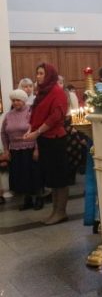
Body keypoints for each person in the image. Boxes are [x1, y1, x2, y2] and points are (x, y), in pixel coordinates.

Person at [25, 63, 69, 225]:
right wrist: (30, 130)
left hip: (55, 138)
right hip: (44, 138)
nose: (38, 76)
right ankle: (55, 211)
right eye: (37, 73)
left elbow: (55, 116)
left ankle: (61, 212)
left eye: (41, 73)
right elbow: (35, 114)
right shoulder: (42, 92)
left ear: (49, 75)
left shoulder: (57, 91)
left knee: (59, 177)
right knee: (51, 177)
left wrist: (37, 132)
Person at [1, 89, 43, 211]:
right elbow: (3, 133)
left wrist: (37, 149)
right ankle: (27, 200)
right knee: (21, 176)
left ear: (24, 100)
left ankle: (39, 198)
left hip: (30, 149)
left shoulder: (31, 112)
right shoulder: (8, 115)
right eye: (13, 100)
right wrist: (6, 150)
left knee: (33, 174)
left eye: (18, 100)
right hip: (15, 150)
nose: (15, 102)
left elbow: (37, 131)